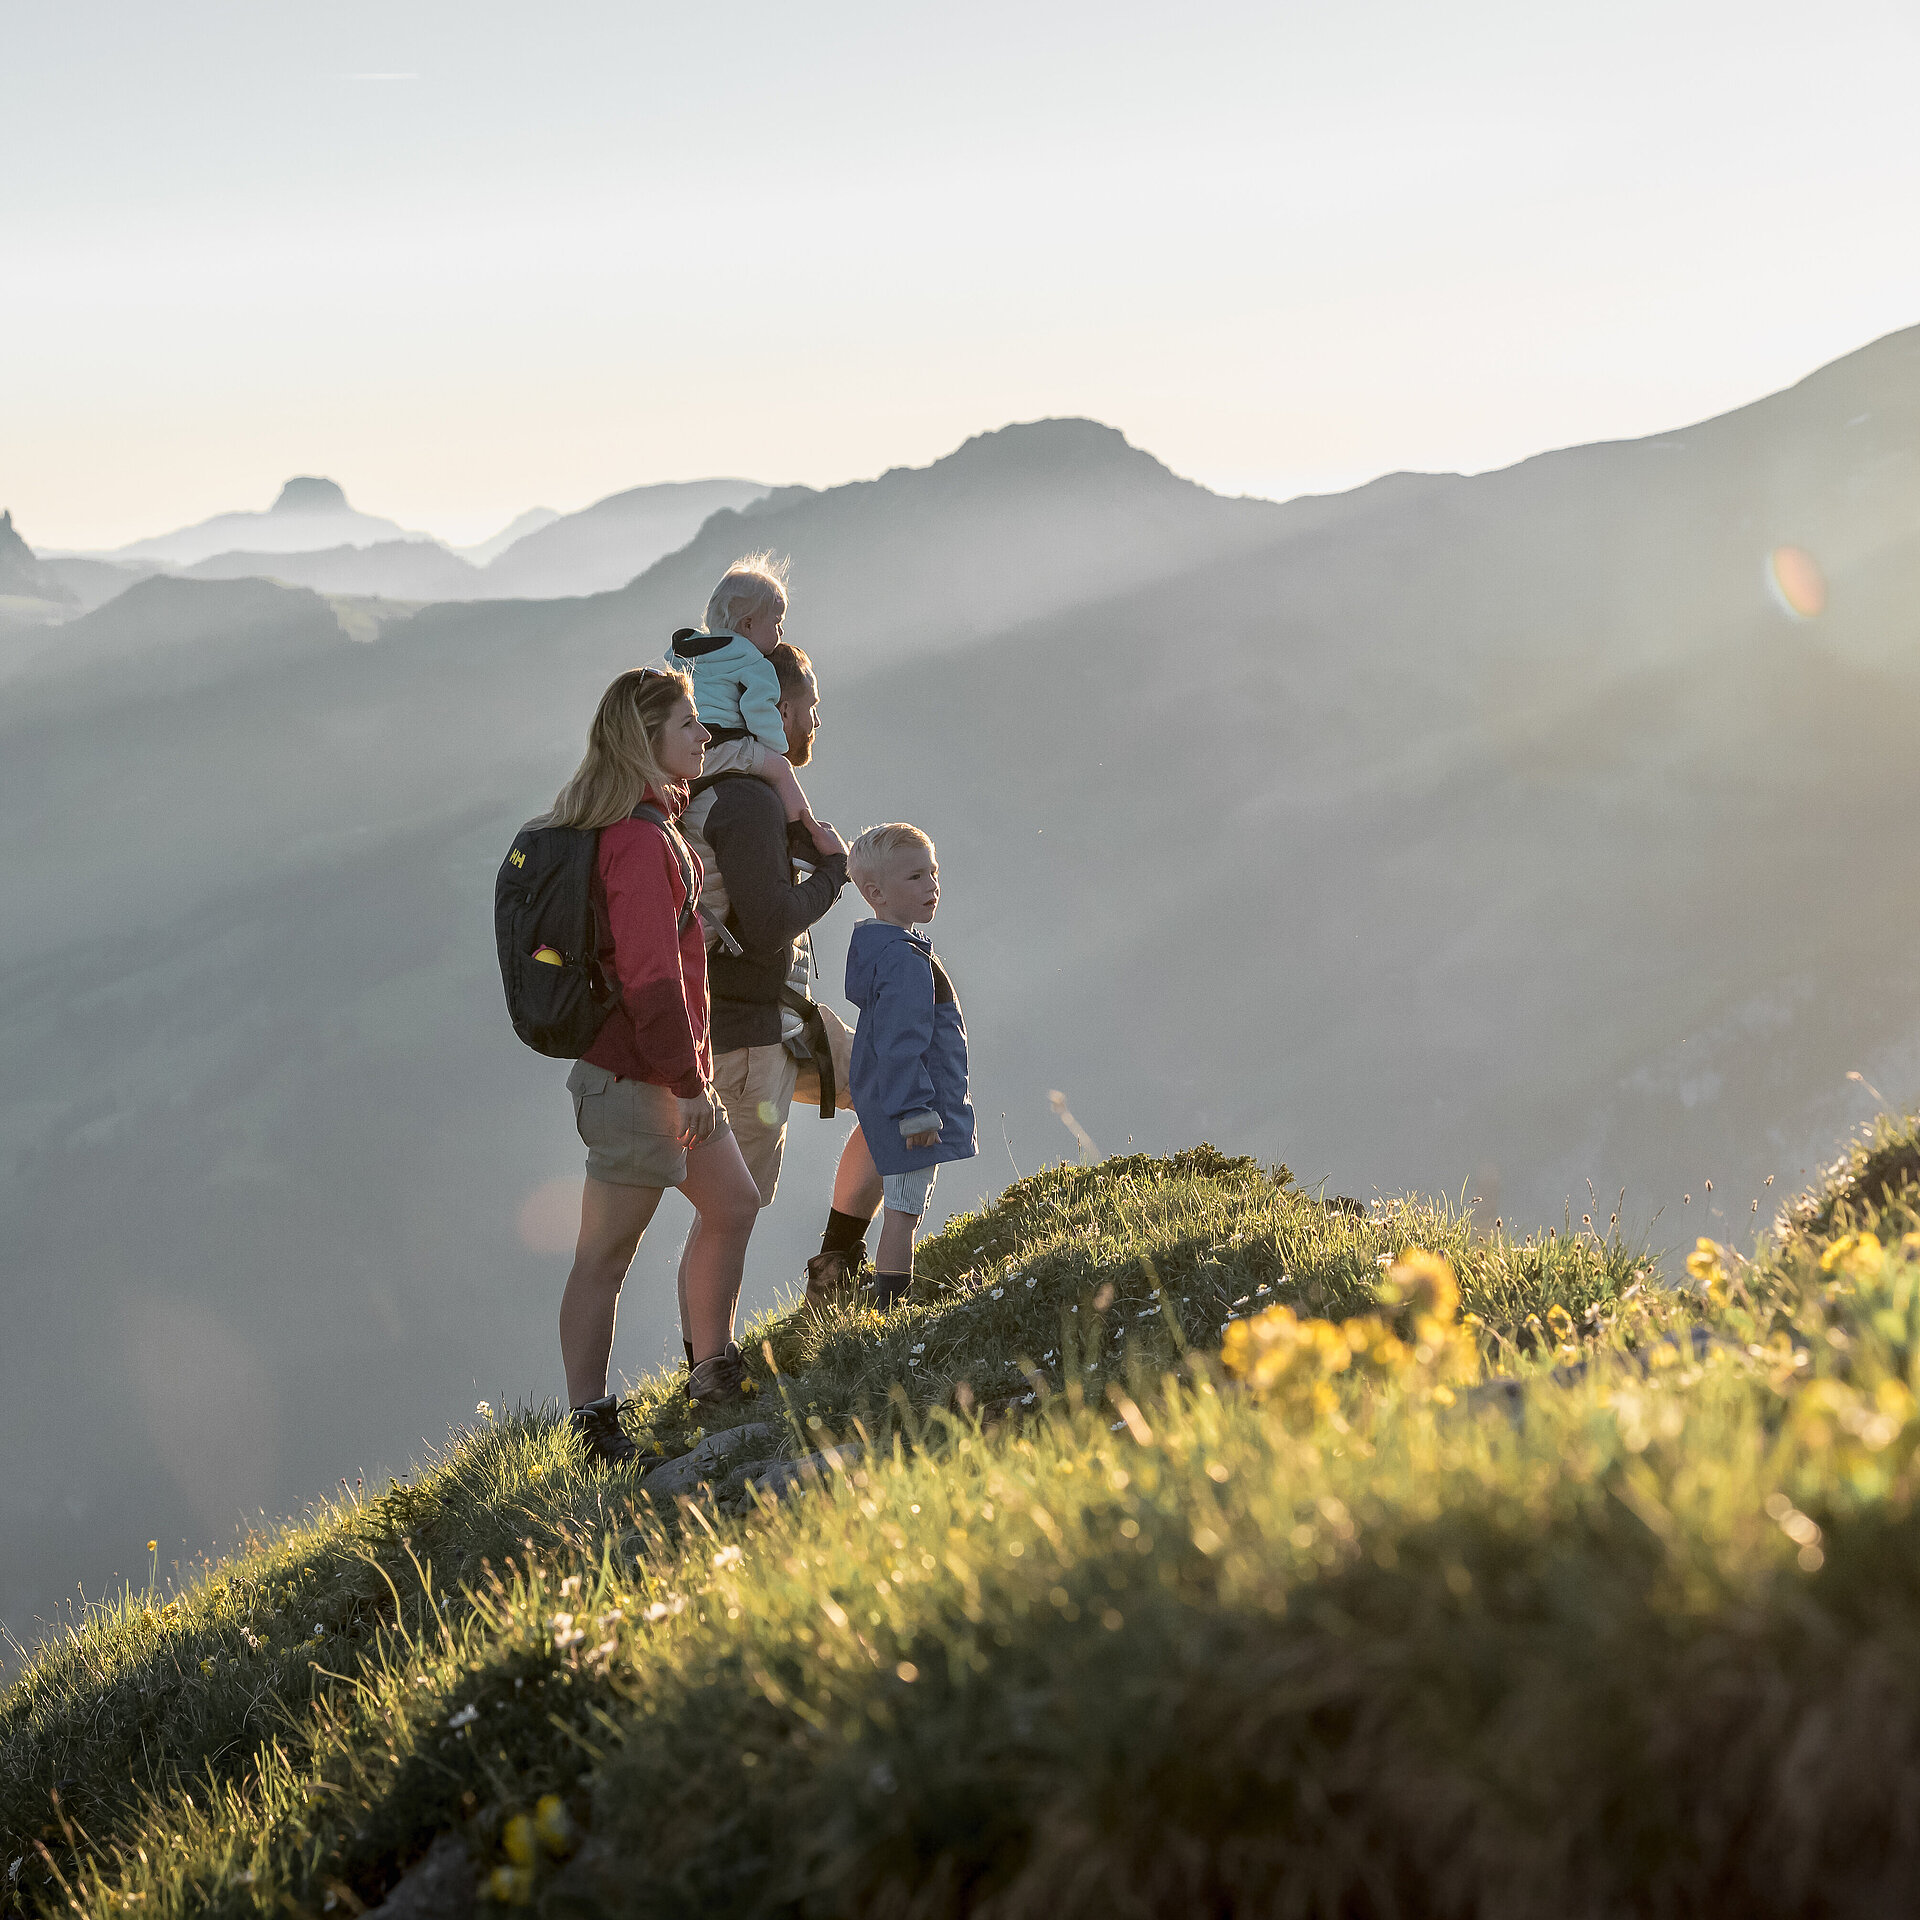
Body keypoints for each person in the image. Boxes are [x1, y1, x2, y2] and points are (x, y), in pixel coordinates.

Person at [548, 666, 763, 1465]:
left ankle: (712, 1371)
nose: (705, 736)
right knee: (605, 1256)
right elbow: (648, 980)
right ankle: (593, 1426)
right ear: (647, 741)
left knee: (732, 1204)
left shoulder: (653, 826)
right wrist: (691, 1084)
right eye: (688, 725)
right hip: (639, 1083)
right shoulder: (637, 842)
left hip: (662, 1077)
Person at [675, 638, 879, 1323]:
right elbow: (767, 923)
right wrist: (833, 874)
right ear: (780, 707)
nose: (815, 722)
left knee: (901, 1093)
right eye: (809, 706)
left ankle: (836, 1276)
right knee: (730, 1213)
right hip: (746, 1040)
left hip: (776, 1021)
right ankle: (711, 1371)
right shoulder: (744, 802)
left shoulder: (725, 795)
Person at [842, 823, 977, 1307]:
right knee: (904, 1210)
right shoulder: (903, 959)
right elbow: (902, 1042)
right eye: (915, 877)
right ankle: (891, 1308)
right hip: (911, 1110)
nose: (932, 886)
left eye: (933, 873)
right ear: (875, 892)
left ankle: (883, 1300)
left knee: (903, 1203)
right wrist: (915, 1110)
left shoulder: (886, 949)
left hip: (895, 1101)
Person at [668, 552, 838, 857]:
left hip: (683, 743)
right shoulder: (752, 661)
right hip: (720, 742)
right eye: (776, 623)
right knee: (781, 770)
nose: (781, 632)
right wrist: (774, 749)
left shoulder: (686, 649)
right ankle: (803, 841)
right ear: (748, 624)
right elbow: (759, 710)